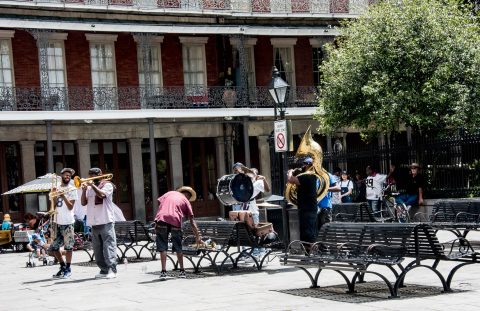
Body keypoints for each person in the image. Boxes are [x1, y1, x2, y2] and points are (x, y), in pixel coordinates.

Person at [154, 186, 202, 280]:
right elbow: (192, 221)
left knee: (162, 246)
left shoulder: (169, 194)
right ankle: (182, 271)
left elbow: (161, 206)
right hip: (175, 220)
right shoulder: (186, 201)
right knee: (178, 246)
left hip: (161, 219)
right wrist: (198, 236)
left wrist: (156, 223)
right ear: (188, 195)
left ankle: (163, 272)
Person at [81, 167, 117, 279]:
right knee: (97, 248)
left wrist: (92, 186)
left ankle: (112, 269)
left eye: (93, 174)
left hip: (106, 220)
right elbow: (83, 203)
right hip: (94, 222)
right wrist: (83, 190)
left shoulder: (108, 185)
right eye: (90, 175)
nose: (91, 177)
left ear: (100, 174)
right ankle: (103, 270)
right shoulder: (90, 188)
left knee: (108, 246)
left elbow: (102, 195)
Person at [48, 167, 77, 279]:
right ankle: (62, 267)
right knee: (53, 248)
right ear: (61, 176)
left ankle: (68, 269)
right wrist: (54, 194)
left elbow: (70, 207)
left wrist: (63, 195)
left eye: (69, 176)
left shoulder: (72, 188)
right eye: (65, 175)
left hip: (68, 222)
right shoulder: (57, 187)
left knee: (68, 247)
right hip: (57, 221)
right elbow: (54, 205)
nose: (67, 177)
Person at [287, 157, 320, 244]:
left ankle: (309, 254)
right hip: (307, 208)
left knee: (307, 233)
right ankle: (308, 253)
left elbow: (290, 180)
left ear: (308, 165)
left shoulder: (307, 176)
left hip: (307, 209)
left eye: (305, 164)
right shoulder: (311, 176)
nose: (303, 166)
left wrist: (290, 172)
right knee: (307, 232)